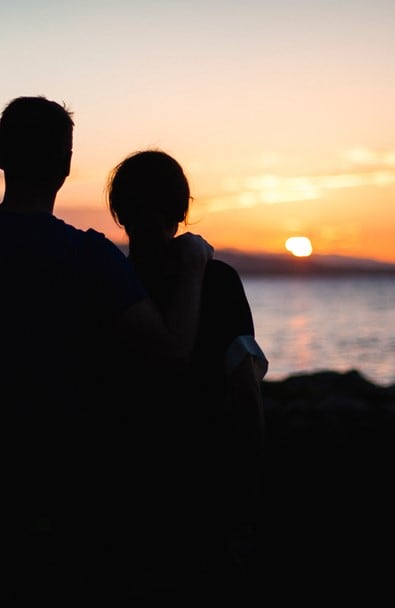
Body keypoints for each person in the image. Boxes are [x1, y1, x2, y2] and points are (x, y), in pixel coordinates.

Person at [0, 97, 212, 597]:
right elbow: (169, 355)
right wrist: (190, 267)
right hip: (62, 498)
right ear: (66, 166)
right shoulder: (90, 256)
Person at [106, 149, 268, 597]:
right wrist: (244, 514)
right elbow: (246, 398)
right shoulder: (217, 281)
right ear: (182, 210)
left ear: (118, 212)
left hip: (122, 499)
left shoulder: (103, 284)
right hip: (206, 496)